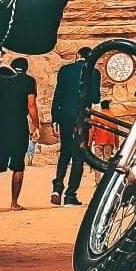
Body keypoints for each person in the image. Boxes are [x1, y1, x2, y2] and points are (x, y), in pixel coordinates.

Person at [0, 57, 41, 214]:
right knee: (18, 166)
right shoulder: (29, 81)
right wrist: (36, 126)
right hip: (19, 127)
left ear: (12, 67)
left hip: (1, 127)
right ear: (25, 68)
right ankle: (14, 203)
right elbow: (31, 105)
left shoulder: (1, 78)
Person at [50, 53, 98, 206]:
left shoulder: (65, 70)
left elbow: (58, 94)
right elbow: (96, 97)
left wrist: (55, 118)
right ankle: (70, 195)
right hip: (82, 118)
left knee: (65, 152)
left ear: (78, 55)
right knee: (78, 156)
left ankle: (57, 188)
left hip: (65, 115)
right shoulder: (94, 72)